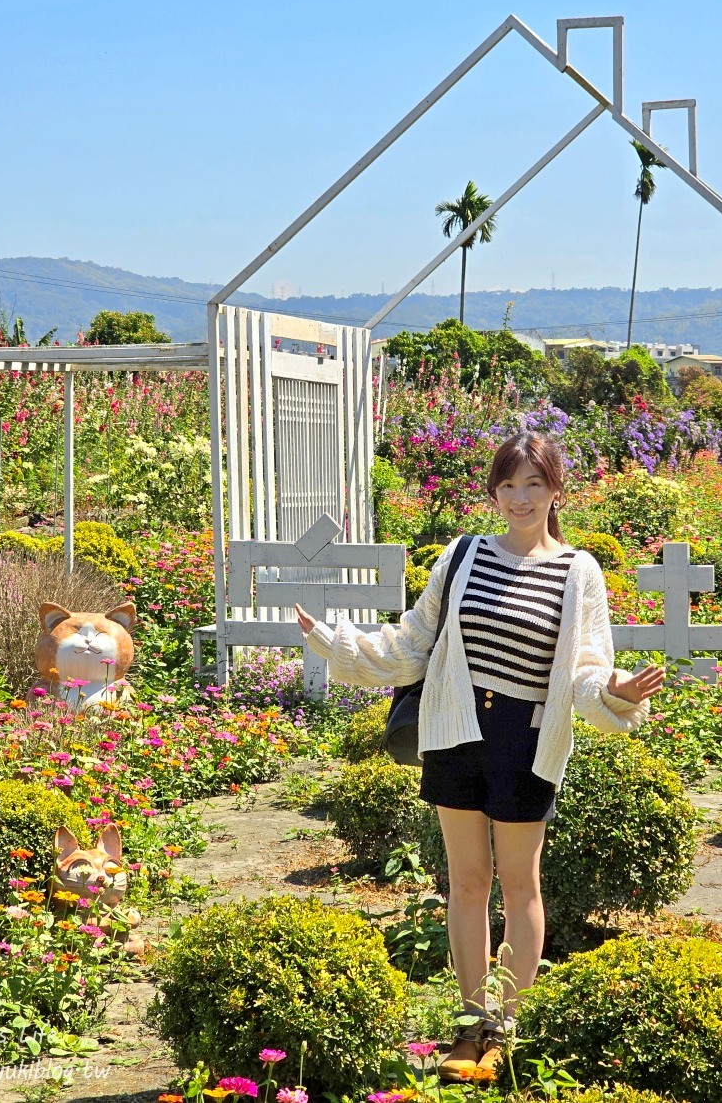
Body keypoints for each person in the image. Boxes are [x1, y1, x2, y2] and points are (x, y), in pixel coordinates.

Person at [296, 432, 664, 1081]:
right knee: (465, 884)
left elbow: (583, 671)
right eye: (507, 485)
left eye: (533, 485)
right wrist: (335, 641)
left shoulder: (577, 571)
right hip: (456, 736)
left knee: (520, 884)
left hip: (524, 743)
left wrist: (614, 690)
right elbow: (412, 643)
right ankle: (469, 1026)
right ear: (492, 492)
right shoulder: (462, 556)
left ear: (555, 491)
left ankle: (505, 1027)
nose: (519, 498)